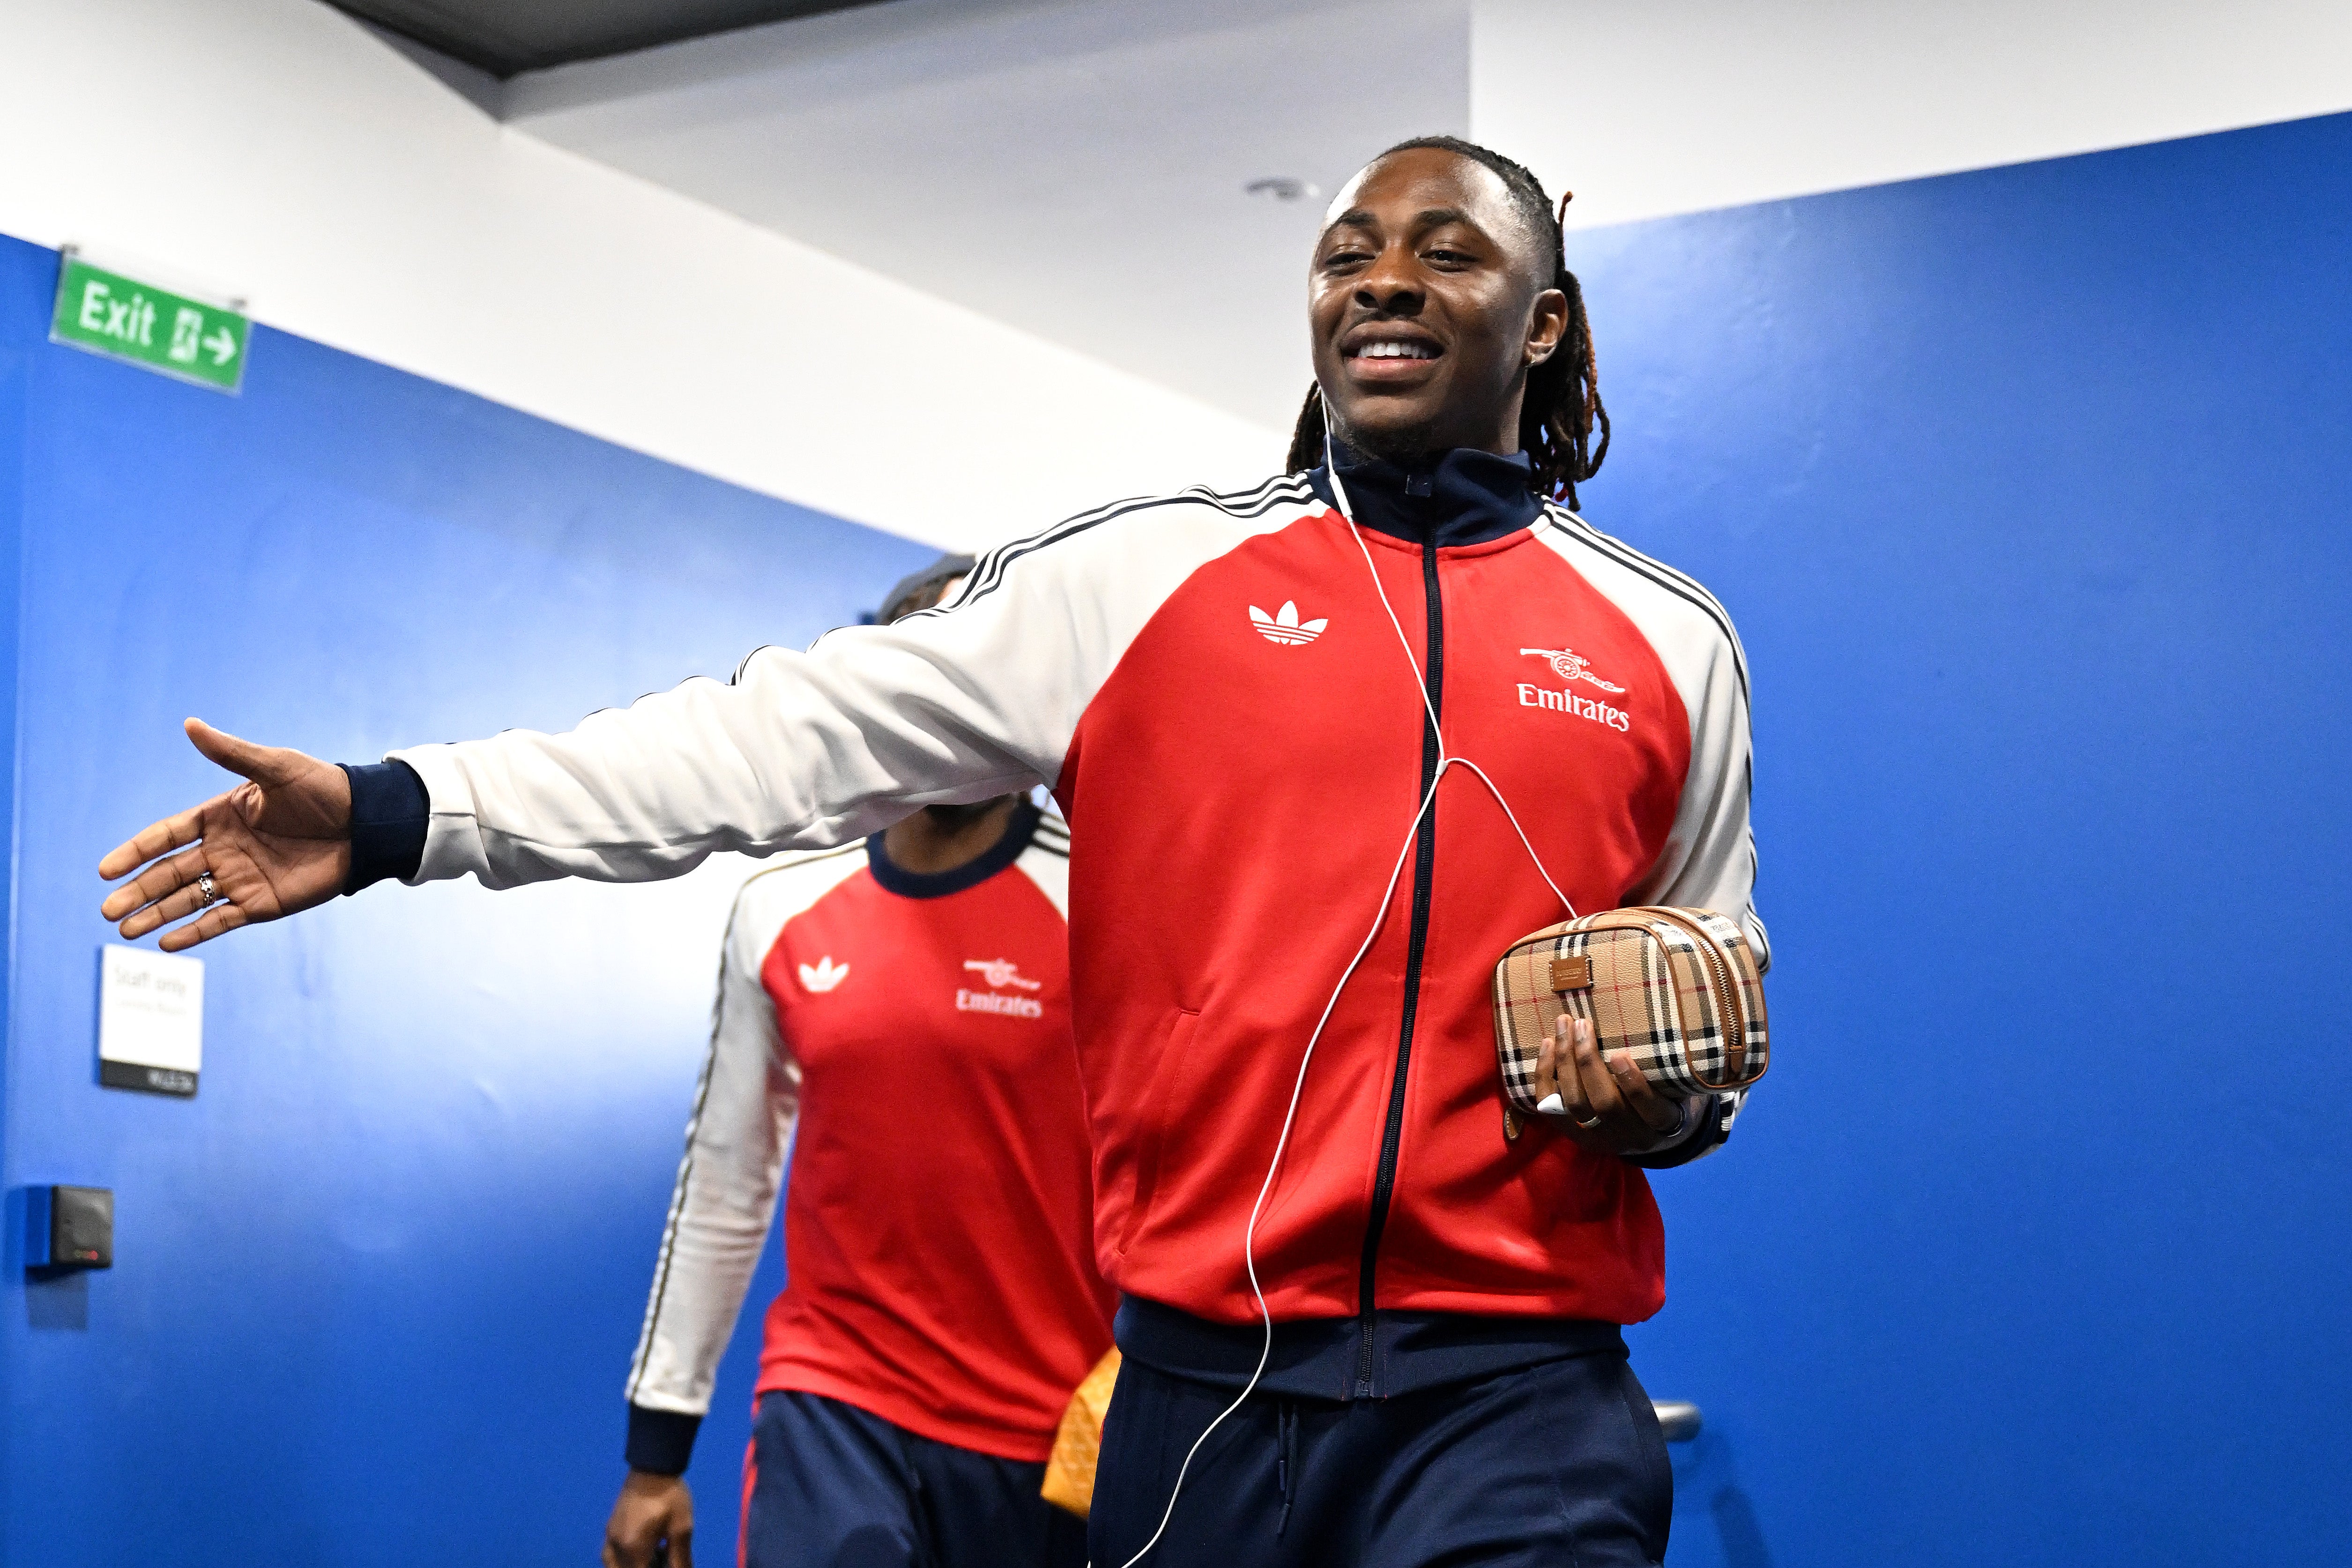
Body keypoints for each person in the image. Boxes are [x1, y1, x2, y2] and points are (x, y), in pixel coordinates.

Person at [100, 136, 1766, 1568]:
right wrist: (404, 811)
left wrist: (1672, 1104)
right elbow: (771, 737)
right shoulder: (1138, 583)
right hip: (1210, 1394)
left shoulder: (1668, 642)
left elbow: (1708, 984)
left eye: (1445, 251)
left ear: (1543, 321)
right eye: (1347, 255)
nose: (1383, 280)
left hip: (1519, 1392)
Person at [601, 556, 1107, 1568]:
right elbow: (727, 1181)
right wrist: (657, 1454)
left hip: (1050, 1435)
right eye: (923, 676)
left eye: (983, 679)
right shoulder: (782, 904)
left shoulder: (1106, 904)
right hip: (832, 1404)